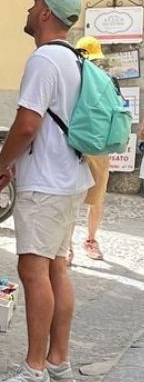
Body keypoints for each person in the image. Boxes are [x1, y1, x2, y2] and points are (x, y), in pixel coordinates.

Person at [0, 0, 92, 382]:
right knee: (56, 269)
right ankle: (57, 362)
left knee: (34, 271)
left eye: (34, 4)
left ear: (45, 13)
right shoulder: (74, 59)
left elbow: (27, 125)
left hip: (45, 183)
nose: (29, 9)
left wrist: (2, 165)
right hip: (69, 179)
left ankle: (33, 371)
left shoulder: (44, 59)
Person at [72, 35, 110, 260]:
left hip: (90, 147)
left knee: (93, 198)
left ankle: (88, 240)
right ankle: (80, 243)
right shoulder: (76, 81)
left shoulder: (103, 81)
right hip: (93, 146)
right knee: (82, 198)